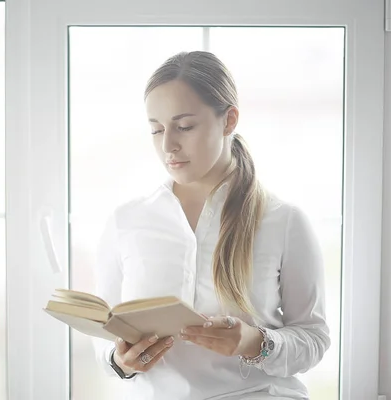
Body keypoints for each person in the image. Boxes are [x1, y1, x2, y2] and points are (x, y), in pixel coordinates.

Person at [91, 51, 330, 400]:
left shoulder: (284, 221)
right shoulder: (127, 221)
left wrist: (256, 342)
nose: (168, 145)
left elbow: (314, 338)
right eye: (156, 129)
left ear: (229, 120)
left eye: (184, 126)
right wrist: (121, 361)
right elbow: (103, 337)